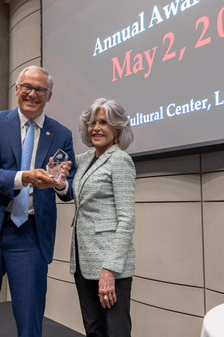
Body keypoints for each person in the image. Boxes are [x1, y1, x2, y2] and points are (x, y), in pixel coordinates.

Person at [0, 65, 75, 337]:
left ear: (49, 97)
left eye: (40, 90)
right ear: (16, 90)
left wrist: (58, 183)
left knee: (30, 325)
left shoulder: (62, 134)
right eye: (27, 87)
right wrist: (26, 177)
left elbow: (68, 189)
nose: (32, 94)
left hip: (30, 236)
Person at [70, 98, 136, 337]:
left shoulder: (120, 161)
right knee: (94, 330)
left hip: (110, 265)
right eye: (92, 122)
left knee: (115, 331)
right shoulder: (86, 159)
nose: (96, 128)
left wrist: (109, 271)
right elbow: (69, 187)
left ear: (117, 128)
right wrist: (57, 178)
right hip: (83, 260)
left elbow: (127, 220)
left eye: (104, 122)